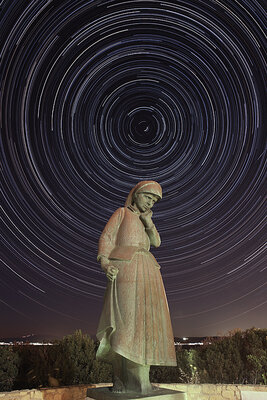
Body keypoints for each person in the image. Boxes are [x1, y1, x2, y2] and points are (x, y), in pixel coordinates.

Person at [96, 181, 176, 394]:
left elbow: (156, 242)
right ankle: (119, 378)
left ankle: (142, 381)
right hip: (125, 269)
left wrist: (148, 222)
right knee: (125, 325)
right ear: (136, 195)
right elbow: (106, 237)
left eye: (154, 200)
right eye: (147, 197)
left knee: (145, 325)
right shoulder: (121, 213)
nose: (150, 202)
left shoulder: (146, 219)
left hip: (148, 271)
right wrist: (106, 263)